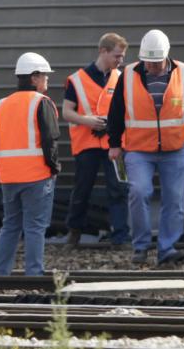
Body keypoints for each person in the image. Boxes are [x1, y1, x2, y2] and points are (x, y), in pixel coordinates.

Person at [106, 29, 184, 266]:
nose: (151, 67)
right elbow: (116, 111)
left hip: (175, 148)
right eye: (147, 61)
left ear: (166, 57)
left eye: (156, 62)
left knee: (175, 200)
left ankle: (166, 249)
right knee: (139, 192)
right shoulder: (128, 74)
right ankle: (140, 246)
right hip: (139, 149)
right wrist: (114, 144)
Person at [0, 53, 61, 276]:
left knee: (10, 225)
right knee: (35, 227)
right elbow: (50, 139)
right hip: (37, 176)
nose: (47, 80)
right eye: (45, 76)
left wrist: (1, 170)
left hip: (9, 177)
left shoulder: (1, 105)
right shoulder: (42, 103)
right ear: (34, 77)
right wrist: (54, 167)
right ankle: (34, 275)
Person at [61, 32, 130, 247]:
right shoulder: (76, 80)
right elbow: (66, 112)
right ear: (103, 51)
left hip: (116, 143)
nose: (120, 60)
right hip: (87, 144)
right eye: (117, 56)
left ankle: (120, 236)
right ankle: (74, 232)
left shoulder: (122, 78)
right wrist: (87, 121)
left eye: (122, 56)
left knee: (119, 187)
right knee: (82, 189)